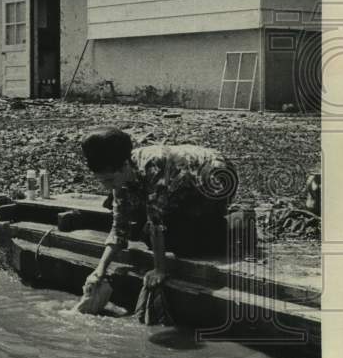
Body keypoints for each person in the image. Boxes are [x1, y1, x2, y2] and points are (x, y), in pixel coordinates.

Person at [80, 126, 254, 298]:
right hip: (179, 185)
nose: (107, 186)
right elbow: (119, 228)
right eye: (102, 181)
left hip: (214, 181)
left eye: (110, 180)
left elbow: (157, 221)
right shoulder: (121, 175)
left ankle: (239, 220)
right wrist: (100, 270)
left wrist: (159, 270)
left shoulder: (153, 165)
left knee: (182, 245)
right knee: (143, 231)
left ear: (125, 166)